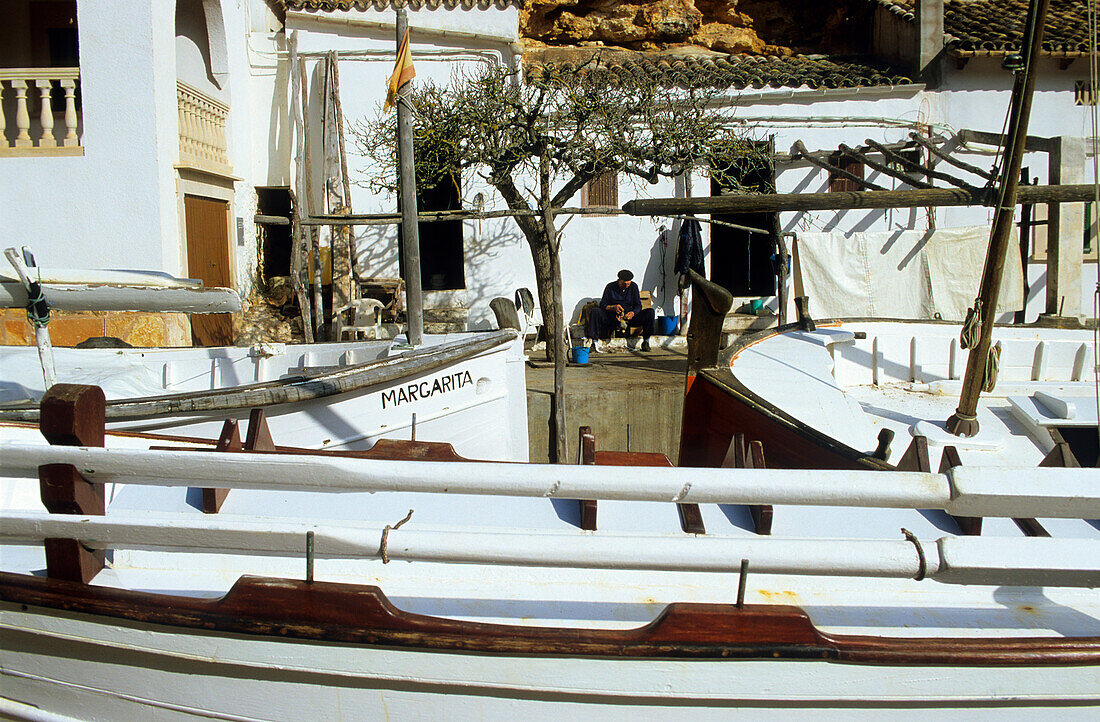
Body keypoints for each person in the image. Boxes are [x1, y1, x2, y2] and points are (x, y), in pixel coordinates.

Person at [585, 269, 654, 351]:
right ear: (619, 281)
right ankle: (594, 342)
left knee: (650, 312)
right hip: (612, 318)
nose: (627, 286)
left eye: (628, 283)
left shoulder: (633, 287)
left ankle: (646, 342)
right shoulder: (610, 287)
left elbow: (638, 305)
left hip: (629, 318)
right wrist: (612, 307)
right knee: (595, 311)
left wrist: (633, 313)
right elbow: (603, 304)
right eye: (624, 284)